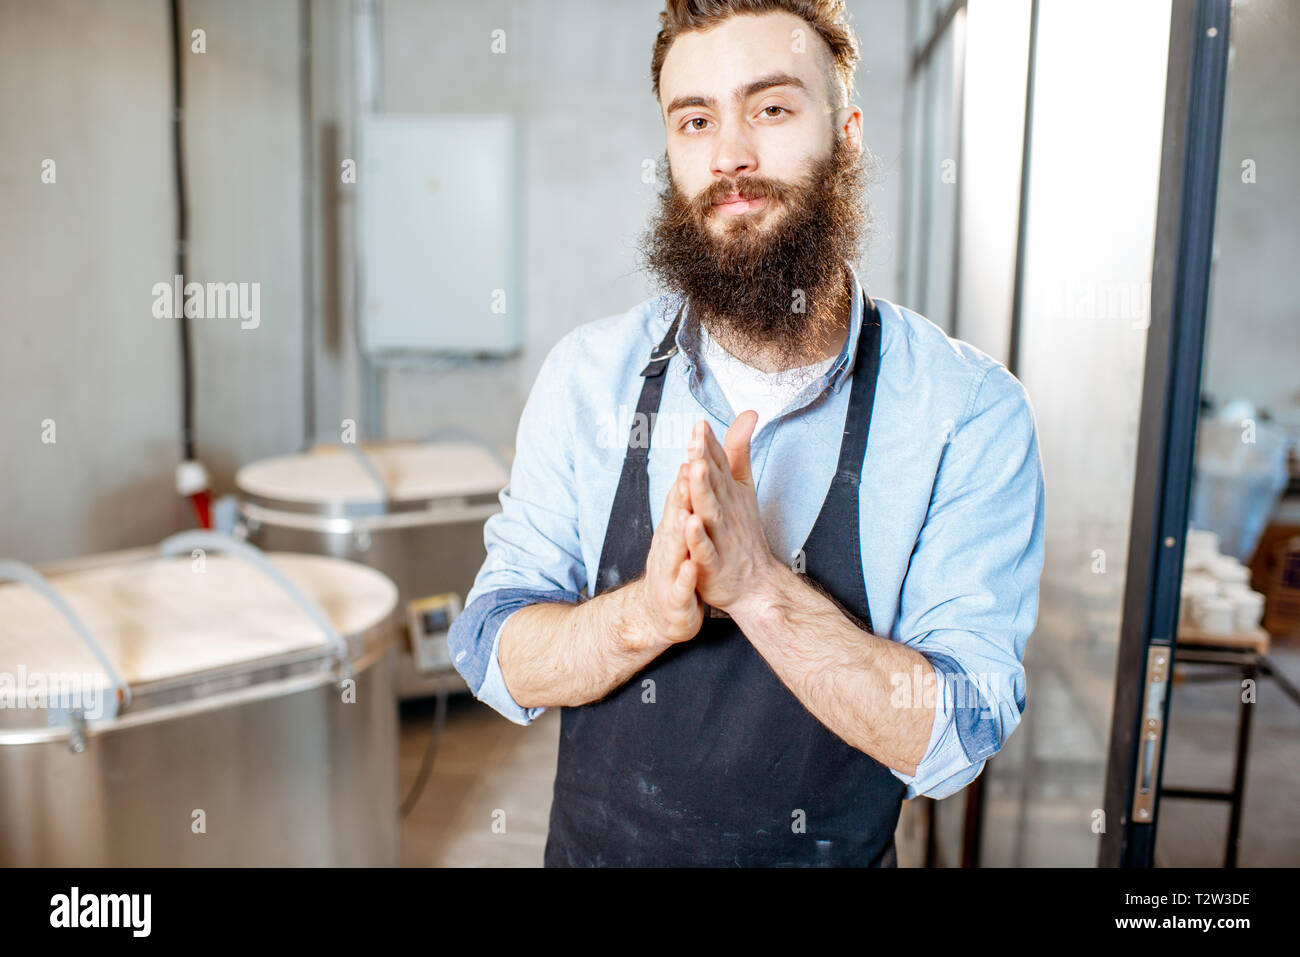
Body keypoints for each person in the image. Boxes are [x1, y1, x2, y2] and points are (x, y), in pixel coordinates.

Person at [448, 0, 1045, 867]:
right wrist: (648, 614)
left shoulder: (967, 412)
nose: (730, 155)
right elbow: (493, 648)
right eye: (695, 120)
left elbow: (956, 734)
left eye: (770, 108)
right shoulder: (589, 380)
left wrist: (759, 587)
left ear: (846, 131)